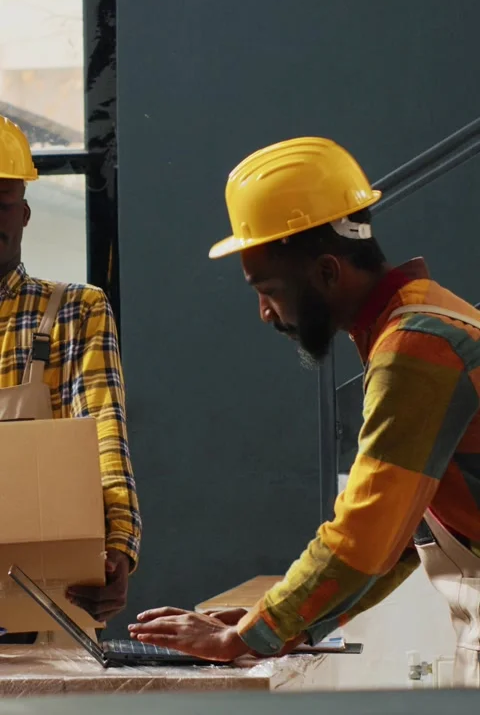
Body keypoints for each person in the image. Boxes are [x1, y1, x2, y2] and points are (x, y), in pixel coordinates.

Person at [129, 136, 480, 687]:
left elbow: (367, 532)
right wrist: (271, 621)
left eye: (268, 289)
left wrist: (247, 636)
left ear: (327, 271)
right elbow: (402, 539)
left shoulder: (417, 344)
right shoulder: (429, 318)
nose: (266, 313)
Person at [0, 116, 141, 641]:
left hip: (45, 607)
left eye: (2, 202)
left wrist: (118, 543)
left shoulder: (74, 311)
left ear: (25, 212)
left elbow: (102, 427)